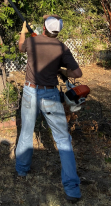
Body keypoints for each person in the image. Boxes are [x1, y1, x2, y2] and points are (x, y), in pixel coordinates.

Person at [15, 15, 82, 204]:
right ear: (57, 31)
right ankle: (72, 190)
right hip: (51, 95)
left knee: (27, 132)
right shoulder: (61, 47)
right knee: (62, 139)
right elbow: (77, 73)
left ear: (43, 29)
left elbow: (20, 47)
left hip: (30, 91)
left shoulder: (32, 42)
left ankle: (21, 170)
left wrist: (23, 31)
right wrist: (62, 71)